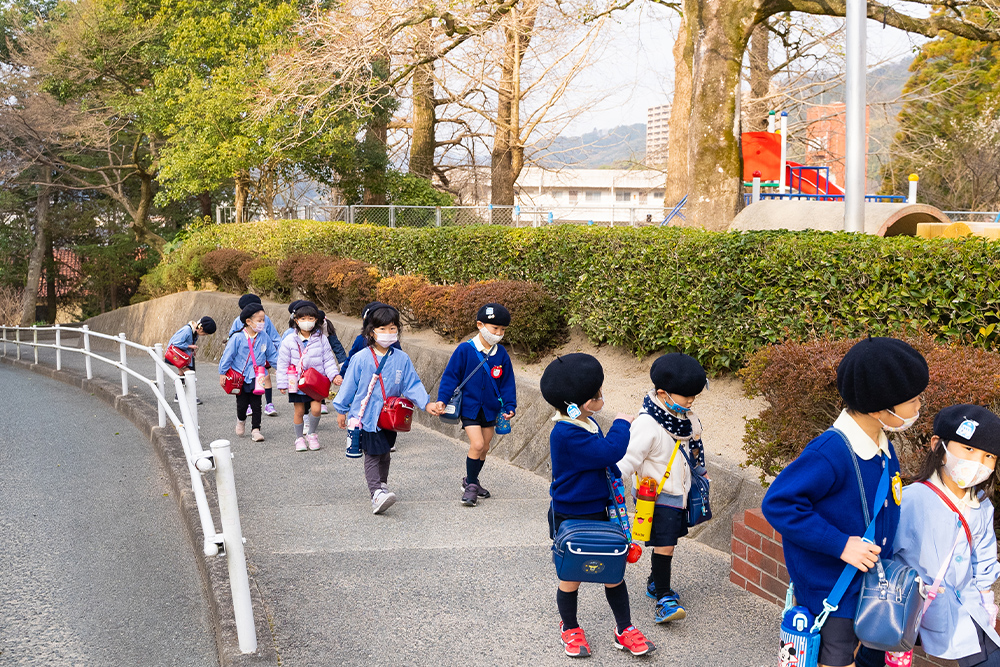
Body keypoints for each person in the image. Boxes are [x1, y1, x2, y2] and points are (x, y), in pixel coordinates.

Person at [762, 337, 928, 667]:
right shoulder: (831, 452)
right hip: (833, 591)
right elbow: (779, 503)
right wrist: (840, 544)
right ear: (881, 409)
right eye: (913, 399)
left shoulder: (882, 443)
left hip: (867, 588)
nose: (919, 405)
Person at [857, 405, 1000, 667]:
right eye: (968, 450)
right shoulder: (911, 499)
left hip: (961, 606)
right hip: (904, 604)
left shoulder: (981, 505)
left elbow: (984, 556)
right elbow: (884, 551)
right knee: (878, 656)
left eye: (989, 456)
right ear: (938, 446)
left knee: (989, 657)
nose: (978, 463)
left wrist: (986, 599)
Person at [542, 353, 655, 659]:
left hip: (600, 510)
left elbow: (603, 466)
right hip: (570, 514)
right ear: (577, 405)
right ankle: (570, 627)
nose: (602, 398)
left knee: (613, 572)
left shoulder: (585, 422)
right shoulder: (566, 433)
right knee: (571, 575)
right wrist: (621, 424)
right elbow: (609, 453)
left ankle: (624, 628)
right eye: (597, 395)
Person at [616, 353, 708, 624]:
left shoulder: (684, 418)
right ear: (663, 393)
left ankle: (656, 583)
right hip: (656, 497)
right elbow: (627, 459)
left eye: (694, 396)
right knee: (665, 546)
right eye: (685, 396)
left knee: (669, 544)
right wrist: (611, 489)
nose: (691, 401)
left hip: (679, 492)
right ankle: (664, 599)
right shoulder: (648, 424)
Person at [333, 305, 442, 514]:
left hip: (391, 416)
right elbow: (349, 386)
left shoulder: (402, 358)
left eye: (393, 328)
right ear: (371, 331)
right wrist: (341, 409)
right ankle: (376, 493)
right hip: (366, 416)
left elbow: (412, 384)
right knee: (373, 454)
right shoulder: (361, 358)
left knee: (385, 452)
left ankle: (382, 485)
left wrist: (426, 403)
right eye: (382, 329)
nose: (388, 333)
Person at [434, 303, 517, 506]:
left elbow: (507, 383)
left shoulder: (501, 354)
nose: (498, 333)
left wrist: (510, 406)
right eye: (494, 328)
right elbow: (450, 376)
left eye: (502, 330)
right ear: (480, 325)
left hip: (490, 408)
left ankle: (472, 480)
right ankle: (470, 485)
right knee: (477, 444)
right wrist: (442, 400)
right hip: (470, 407)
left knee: (485, 447)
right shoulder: (465, 350)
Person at [277, 303, 340, 452]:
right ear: (296, 320)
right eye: (303, 318)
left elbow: (328, 360)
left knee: (316, 409)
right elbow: (282, 362)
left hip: (315, 383)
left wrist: (334, 375)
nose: (307, 321)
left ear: (316, 320)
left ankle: (311, 434)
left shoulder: (321, 339)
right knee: (299, 412)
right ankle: (299, 438)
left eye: (311, 318)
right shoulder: (289, 340)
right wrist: (282, 383)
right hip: (296, 383)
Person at [219, 302, 278, 442]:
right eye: (259, 320)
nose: (262, 323)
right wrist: (222, 372)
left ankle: (256, 429)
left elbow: (272, 355)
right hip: (240, 376)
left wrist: (282, 370)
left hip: (257, 376)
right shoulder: (238, 337)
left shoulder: (264, 337)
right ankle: (241, 420)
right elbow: (228, 356)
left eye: (264, 320)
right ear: (248, 321)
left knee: (257, 402)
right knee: (242, 403)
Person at [228, 294, 281, 417]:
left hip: (262, 351)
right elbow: (232, 336)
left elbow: (274, 336)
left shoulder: (265, 319)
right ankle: (248, 405)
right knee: (246, 380)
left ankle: (269, 404)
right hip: (244, 357)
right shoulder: (238, 321)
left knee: (265, 377)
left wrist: (278, 350)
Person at [167, 316, 216, 404]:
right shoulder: (187, 330)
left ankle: (178, 395)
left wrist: (191, 350)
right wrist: (190, 346)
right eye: (204, 334)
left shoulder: (193, 331)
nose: (204, 335)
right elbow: (175, 343)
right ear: (201, 329)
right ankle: (191, 397)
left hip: (182, 355)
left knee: (182, 374)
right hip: (177, 356)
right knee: (190, 373)